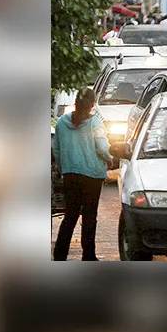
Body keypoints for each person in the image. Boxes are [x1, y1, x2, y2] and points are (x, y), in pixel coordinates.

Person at [52, 88, 113, 261]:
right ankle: (88, 255)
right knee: (89, 216)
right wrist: (110, 159)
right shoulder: (95, 123)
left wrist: (65, 168)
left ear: (76, 103)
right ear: (93, 104)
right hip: (92, 176)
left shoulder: (62, 122)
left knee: (70, 215)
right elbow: (102, 148)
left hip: (70, 175)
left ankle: (59, 254)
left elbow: (56, 150)